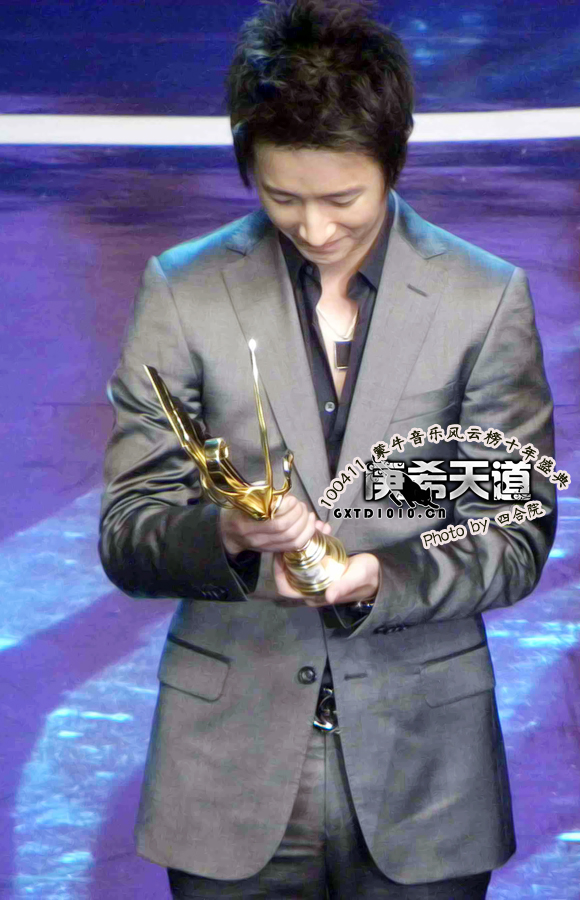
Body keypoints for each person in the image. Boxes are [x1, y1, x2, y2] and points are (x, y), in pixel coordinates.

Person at [98, 1, 557, 897]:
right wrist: (228, 538)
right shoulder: (184, 291)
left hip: (429, 773)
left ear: (393, 159)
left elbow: (512, 535)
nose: (313, 228)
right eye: (282, 198)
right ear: (248, 166)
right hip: (226, 775)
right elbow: (129, 529)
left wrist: (377, 577)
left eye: (342, 199)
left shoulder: (483, 298)